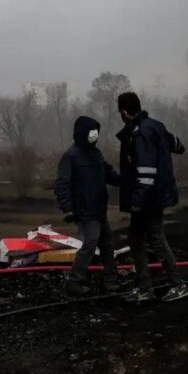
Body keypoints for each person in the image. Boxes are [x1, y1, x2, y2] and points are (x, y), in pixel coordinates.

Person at [115, 92, 188, 303]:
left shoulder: (140, 134)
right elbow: (178, 145)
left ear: (124, 112)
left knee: (156, 240)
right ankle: (145, 288)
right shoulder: (156, 125)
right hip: (155, 195)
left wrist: (137, 201)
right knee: (136, 240)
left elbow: (146, 172)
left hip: (149, 198)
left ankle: (179, 285)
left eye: (120, 112)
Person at [54, 116, 121, 295]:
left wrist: (125, 180)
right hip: (84, 210)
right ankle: (73, 281)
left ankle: (112, 280)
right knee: (90, 244)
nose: (95, 134)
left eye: (96, 130)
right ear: (82, 132)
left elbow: (109, 173)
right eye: (91, 131)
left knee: (107, 245)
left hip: (99, 209)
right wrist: (67, 208)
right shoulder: (70, 156)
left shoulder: (96, 153)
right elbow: (62, 184)